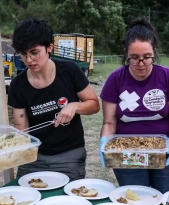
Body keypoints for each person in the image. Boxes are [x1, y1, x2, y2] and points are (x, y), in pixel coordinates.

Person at [99, 18, 169, 193]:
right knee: (137, 199)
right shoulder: (115, 80)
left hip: (165, 154)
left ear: (154, 52)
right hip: (127, 155)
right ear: (126, 54)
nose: (141, 64)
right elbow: (109, 122)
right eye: (134, 58)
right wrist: (105, 144)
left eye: (147, 57)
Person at [8, 18, 100, 181]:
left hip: (69, 156)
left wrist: (74, 106)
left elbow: (94, 105)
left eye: (34, 53)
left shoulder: (69, 71)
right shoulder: (18, 84)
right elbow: (22, 129)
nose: (29, 60)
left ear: (49, 47)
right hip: (33, 157)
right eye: (23, 54)